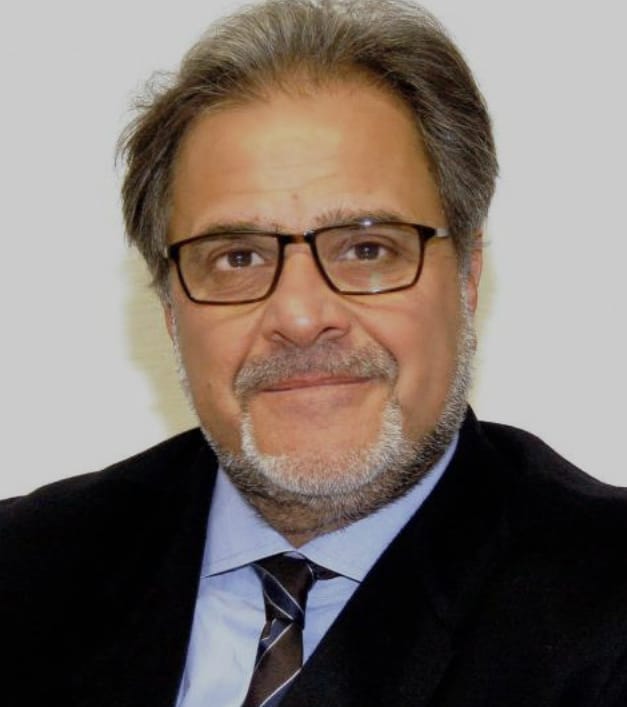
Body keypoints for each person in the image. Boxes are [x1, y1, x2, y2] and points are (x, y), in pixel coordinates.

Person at [2, 0, 626, 705]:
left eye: (367, 248)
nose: (300, 317)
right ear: (172, 309)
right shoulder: (23, 570)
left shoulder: (604, 602)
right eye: (237, 257)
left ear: (467, 278)